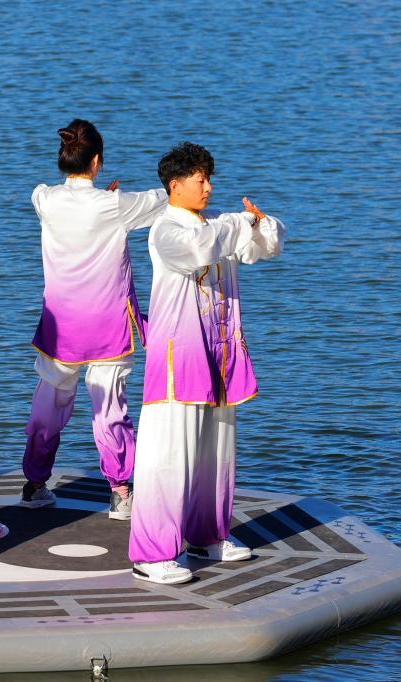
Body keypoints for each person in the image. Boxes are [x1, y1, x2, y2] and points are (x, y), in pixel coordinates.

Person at [129, 142, 285, 585]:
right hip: (179, 355)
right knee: (168, 454)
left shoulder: (216, 223)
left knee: (216, 452)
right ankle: (152, 554)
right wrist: (240, 223)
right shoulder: (166, 229)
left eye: (209, 178)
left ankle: (207, 535)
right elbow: (200, 250)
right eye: (200, 179)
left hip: (220, 351)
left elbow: (265, 247)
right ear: (175, 185)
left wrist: (260, 222)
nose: (209, 187)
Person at [20, 119, 167, 519]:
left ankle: (35, 484)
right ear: (97, 161)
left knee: (48, 404)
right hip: (107, 324)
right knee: (110, 409)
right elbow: (163, 198)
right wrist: (114, 199)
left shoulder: (44, 198)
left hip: (60, 325)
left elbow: (66, 204)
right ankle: (119, 491)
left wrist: (108, 199)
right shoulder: (115, 205)